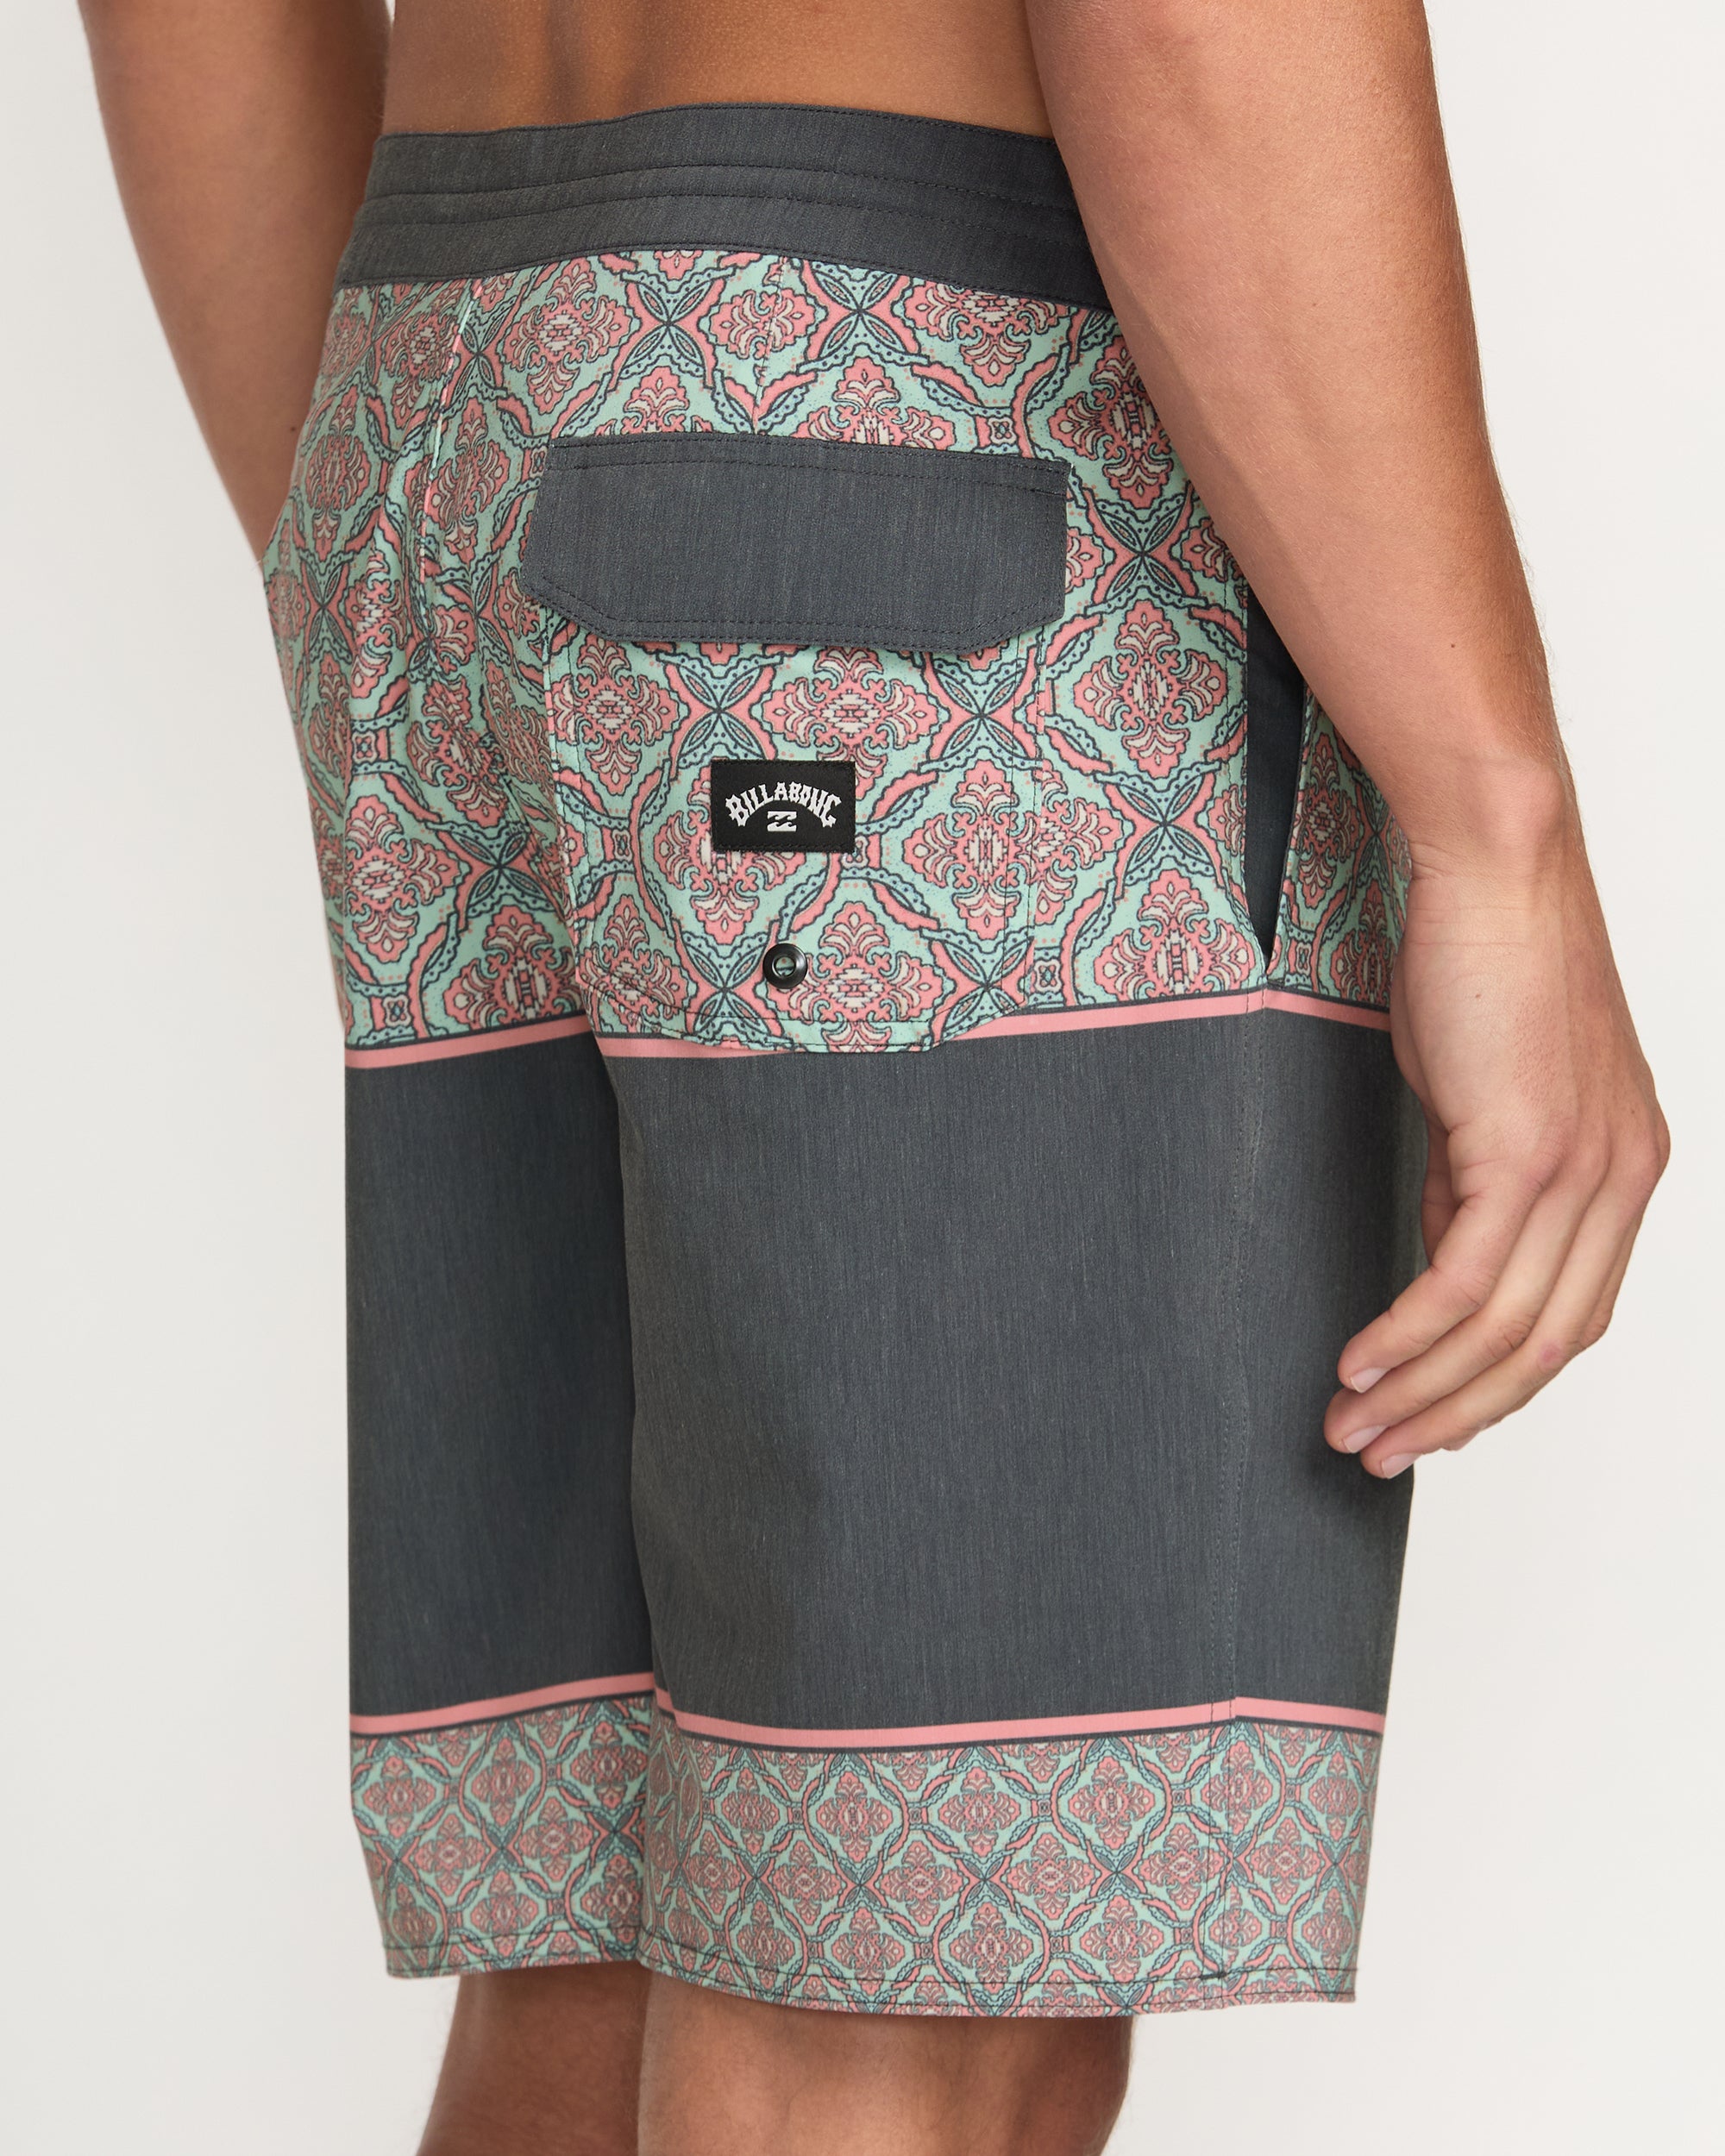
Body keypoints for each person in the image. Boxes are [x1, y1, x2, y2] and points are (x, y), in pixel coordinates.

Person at [78, 1, 1666, 2150]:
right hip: (925, 471)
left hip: (438, 384)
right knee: (914, 1978)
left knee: (610, 1928)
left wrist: (424, 521)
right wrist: (1495, 818)